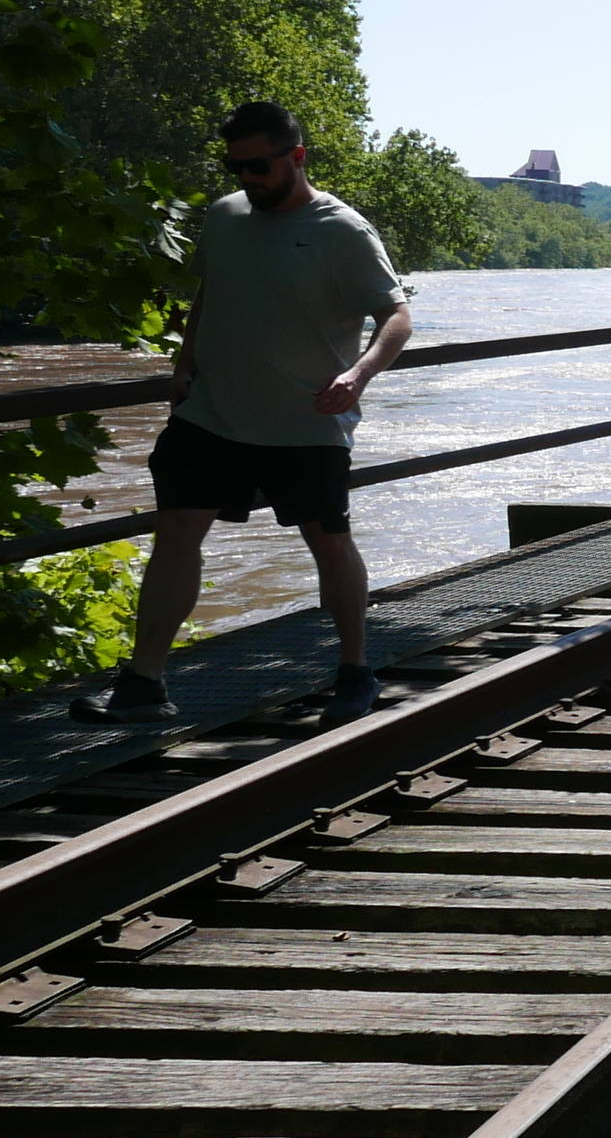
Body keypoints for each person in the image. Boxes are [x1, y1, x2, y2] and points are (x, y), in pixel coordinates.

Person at [74, 101, 416, 726]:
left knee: (328, 542)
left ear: (297, 157)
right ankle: (144, 685)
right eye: (236, 167)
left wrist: (358, 374)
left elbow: (396, 316)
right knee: (175, 535)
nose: (247, 180)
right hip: (212, 416)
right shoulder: (225, 216)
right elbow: (213, 290)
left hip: (306, 419)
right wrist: (184, 363)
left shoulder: (343, 230)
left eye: (259, 166)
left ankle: (354, 670)